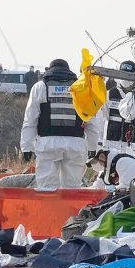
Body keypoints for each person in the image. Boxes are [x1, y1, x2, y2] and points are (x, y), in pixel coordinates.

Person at [19, 59, 99, 189]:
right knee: (72, 188)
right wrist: (92, 147)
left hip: (47, 144)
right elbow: (91, 121)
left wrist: (26, 147)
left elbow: (30, 120)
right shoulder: (81, 88)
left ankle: (49, 209)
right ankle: (71, 209)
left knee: (46, 188)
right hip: (76, 144)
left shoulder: (40, 87)